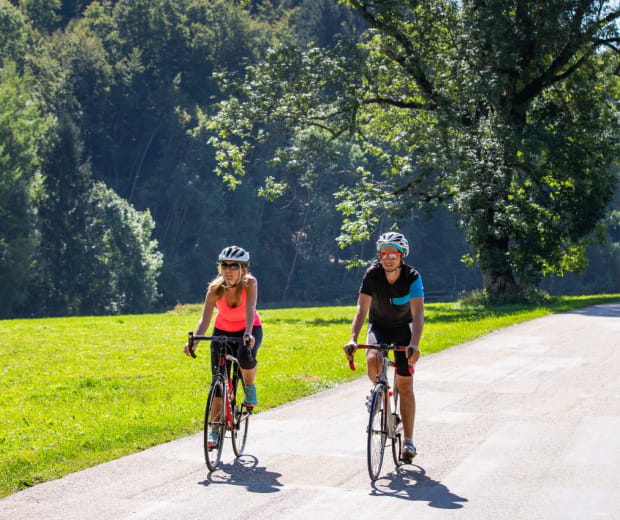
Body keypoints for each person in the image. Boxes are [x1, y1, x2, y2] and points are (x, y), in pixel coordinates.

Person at [344, 231, 424, 463]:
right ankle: (379, 392)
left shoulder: (412, 277)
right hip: (379, 325)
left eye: (393, 253)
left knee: (405, 385)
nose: (387, 258)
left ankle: (408, 440)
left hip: (402, 329)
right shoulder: (373, 274)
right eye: (383, 253)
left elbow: (418, 315)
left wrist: (414, 345)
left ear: (402, 255)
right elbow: (361, 309)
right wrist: (352, 337)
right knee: (373, 359)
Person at [184, 245, 263, 449]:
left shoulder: (250, 284)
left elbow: (251, 309)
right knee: (217, 383)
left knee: (245, 357)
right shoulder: (215, 289)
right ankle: (214, 430)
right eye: (224, 265)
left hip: (249, 328)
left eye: (233, 266)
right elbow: (204, 319)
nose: (228, 270)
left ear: (243, 268)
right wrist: (195, 341)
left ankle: (250, 388)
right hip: (222, 332)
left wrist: (247, 333)